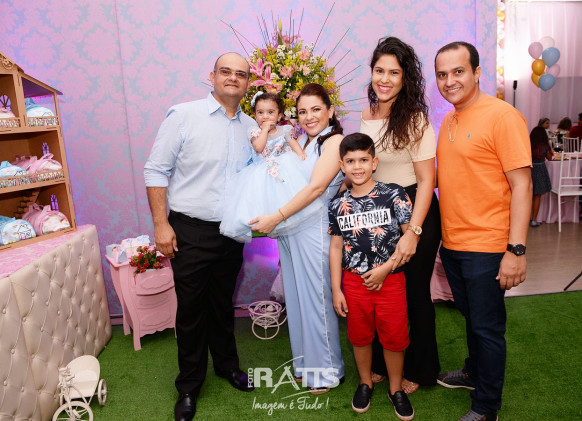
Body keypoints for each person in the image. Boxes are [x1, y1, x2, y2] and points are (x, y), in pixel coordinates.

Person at [144, 52, 255, 421]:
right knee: (191, 310)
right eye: (226, 71)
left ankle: (227, 366)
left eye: (241, 74)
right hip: (189, 230)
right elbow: (156, 170)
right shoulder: (183, 115)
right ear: (212, 76)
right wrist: (161, 224)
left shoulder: (251, 127)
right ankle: (189, 386)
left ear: (248, 83)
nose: (233, 78)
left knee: (222, 304)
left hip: (232, 231)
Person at [434, 41, 532, 421]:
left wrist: (516, 250)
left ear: (477, 72)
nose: (450, 81)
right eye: (442, 74)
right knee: (472, 319)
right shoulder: (449, 120)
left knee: (488, 328)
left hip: (488, 246)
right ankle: (473, 373)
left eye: (458, 71)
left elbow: (522, 185)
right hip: (453, 244)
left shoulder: (502, 116)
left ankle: (486, 407)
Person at [250, 83, 345, 393]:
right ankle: (306, 365)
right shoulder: (302, 140)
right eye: (303, 111)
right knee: (297, 299)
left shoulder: (334, 141)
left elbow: (316, 188)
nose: (309, 116)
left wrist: (276, 216)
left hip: (316, 228)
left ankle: (328, 371)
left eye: (316, 109)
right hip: (293, 229)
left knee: (317, 300)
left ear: (330, 111)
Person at [360, 36, 441, 394]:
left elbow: (426, 181)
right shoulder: (366, 115)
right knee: (382, 293)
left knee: (413, 293)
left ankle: (421, 369)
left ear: (405, 78)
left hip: (415, 209)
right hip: (380, 212)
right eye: (380, 70)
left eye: (394, 72)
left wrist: (413, 232)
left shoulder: (415, 119)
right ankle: (381, 362)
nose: (385, 79)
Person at [329, 133, 415, 419]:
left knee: (394, 336)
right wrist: (336, 289)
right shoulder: (337, 204)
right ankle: (365, 383)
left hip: (391, 280)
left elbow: (409, 240)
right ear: (342, 165)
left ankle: (395, 388)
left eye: (363, 159)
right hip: (353, 284)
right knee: (360, 336)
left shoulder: (394, 194)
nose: (357, 166)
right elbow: (336, 247)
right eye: (351, 161)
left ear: (374, 162)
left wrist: (385, 269)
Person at [220, 91, 322, 242]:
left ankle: (282, 221)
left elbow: (293, 142)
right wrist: (264, 131)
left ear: (279, 116)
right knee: (264, 199)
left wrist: (301, 154)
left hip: (283, 168)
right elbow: (259, 147)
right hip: (261, 171)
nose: (265, 116)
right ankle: (266, 223)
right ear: (255, 115)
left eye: (270, 112)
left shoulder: (284, 130)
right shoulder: (254, 132)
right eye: (260, 112)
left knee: (283, 196)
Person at [529, 126, 554, 227]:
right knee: (537, 196)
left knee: (527, 195)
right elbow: (550, 158)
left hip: (529, 170)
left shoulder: (529, 144)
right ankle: (534, 220)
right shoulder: (545, 146)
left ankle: (524, 218)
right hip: (540, 169)